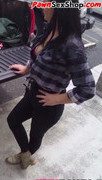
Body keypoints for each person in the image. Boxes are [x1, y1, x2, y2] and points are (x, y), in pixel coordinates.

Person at [6, 0, 96, 169]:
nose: (40, 6)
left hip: (49, 105)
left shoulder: (72, 46)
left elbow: (88, 88)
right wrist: (27, 69)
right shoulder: (49, 29)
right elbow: (37, 54)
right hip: (32, 92)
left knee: (35, 136)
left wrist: (58, 99)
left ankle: (26, 155)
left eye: (45, 2)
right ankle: (26, 155)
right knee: (13, 120)